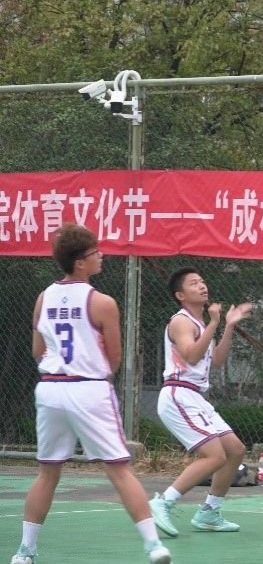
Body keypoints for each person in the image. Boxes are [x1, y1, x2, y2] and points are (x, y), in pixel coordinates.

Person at [10, 224, 173, 564]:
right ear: (80, 262)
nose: (101, 255)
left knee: (47, 472)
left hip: (50, 388)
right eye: (95, 252)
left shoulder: (43, 298)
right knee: (119, 469)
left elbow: (38, 350)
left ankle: (24, 552)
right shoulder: (102, 302)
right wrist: (93, 373)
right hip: (88, 388)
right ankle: (153, 546)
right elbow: (114, 357)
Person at [149, 267, 252, 537]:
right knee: (215, 456)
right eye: (194, 283)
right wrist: (215, 322)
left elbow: (216, 360)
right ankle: (163, 502)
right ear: (180, 295)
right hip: (178, 394)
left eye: (203, 281)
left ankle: (209, 512)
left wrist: (228, 326)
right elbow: (191, 356)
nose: (202, 286)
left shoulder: (203, 325)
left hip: (195, 396)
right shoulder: (181, 321)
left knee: (235, 450)